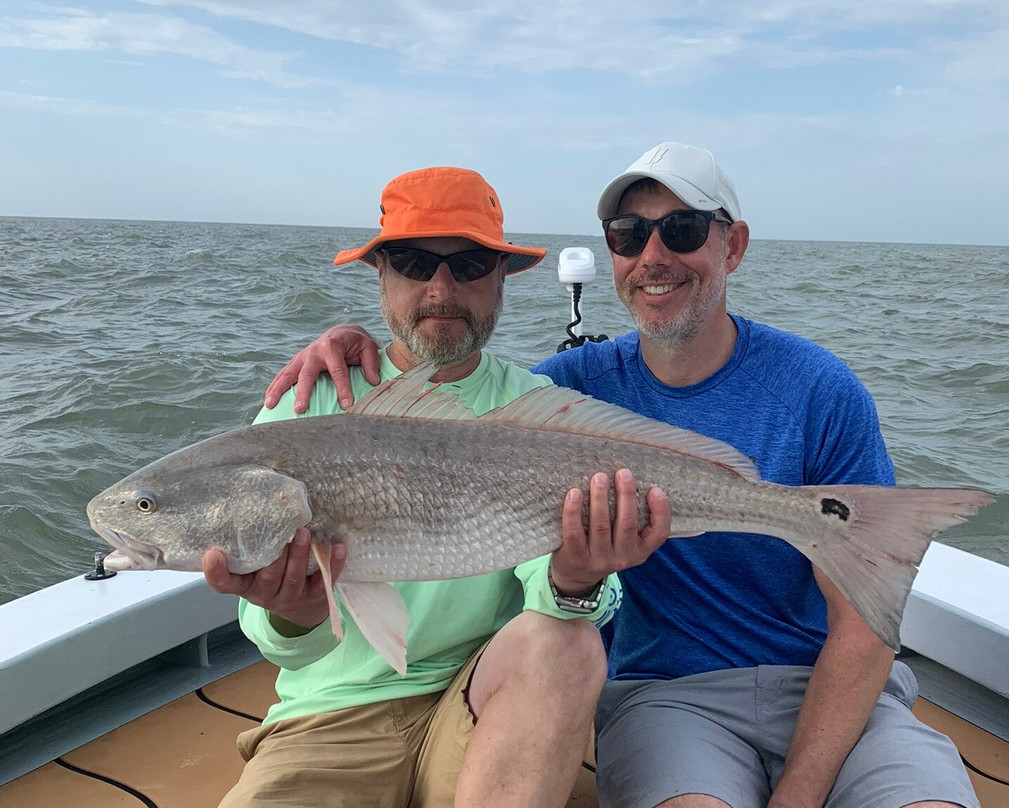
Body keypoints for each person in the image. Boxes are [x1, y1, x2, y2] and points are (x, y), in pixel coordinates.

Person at [264, 144, 979, 808]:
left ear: (733, 244)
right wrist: (348, 347)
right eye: (629, 235)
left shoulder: (819, 386)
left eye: (684, 228)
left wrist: (799, 792)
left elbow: (864, 623)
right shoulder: (566, 388)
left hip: (825, 690)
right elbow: (447, 402)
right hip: (667, 696)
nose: (653, 254)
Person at [203, 165, 671, 808]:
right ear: (381, 273)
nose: (441, 288)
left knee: (569, 644)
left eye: (471, 264)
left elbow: (556, 599)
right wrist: (294, 609)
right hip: (330, 719)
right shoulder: (305, 402)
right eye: (414, 261)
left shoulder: (537, 407)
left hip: (483, 700)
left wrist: (577, 578)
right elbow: (282, 646)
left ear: (503, 275)